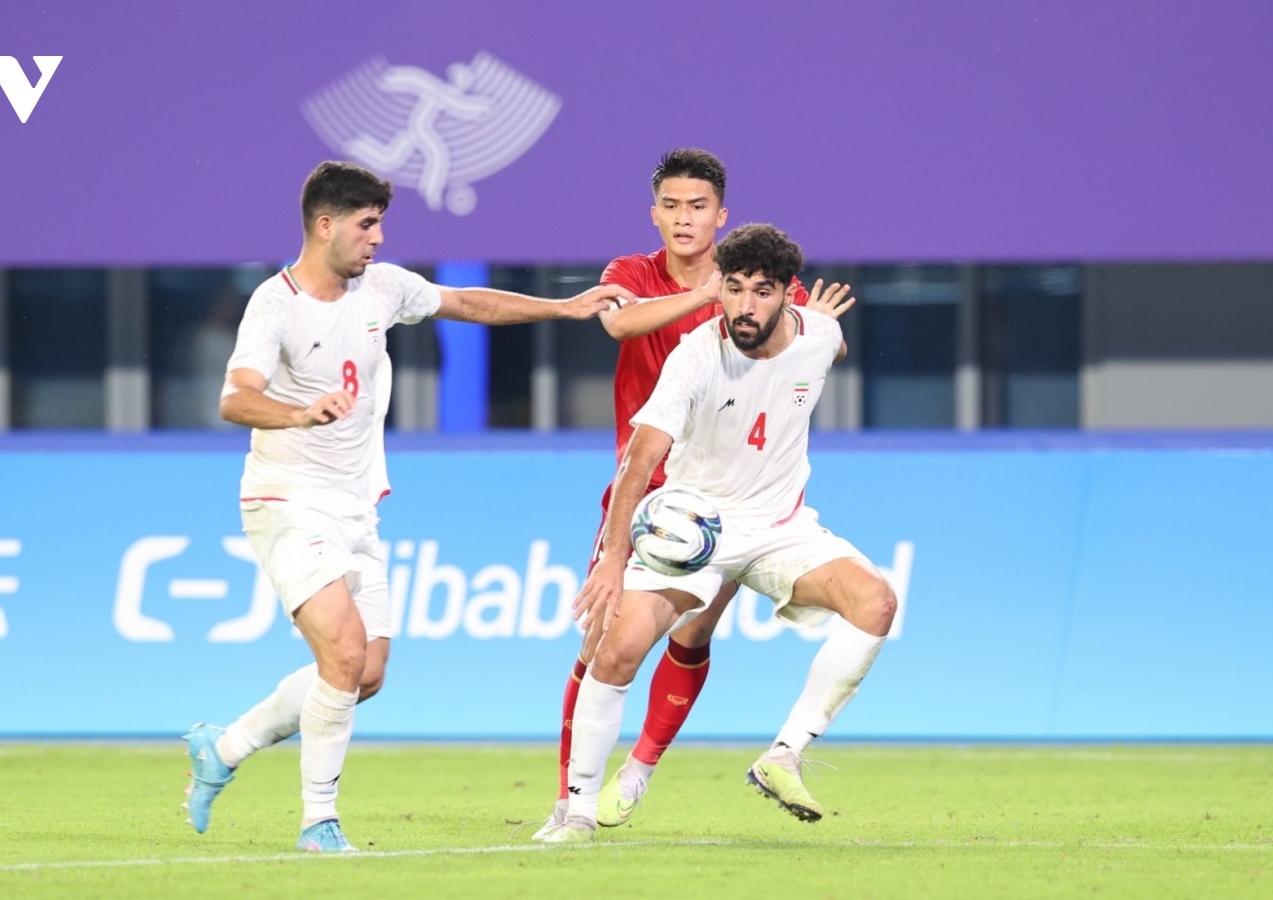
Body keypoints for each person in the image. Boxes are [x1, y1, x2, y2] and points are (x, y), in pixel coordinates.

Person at [180, 160, 622, 853]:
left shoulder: (382, 287)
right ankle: (318, 823)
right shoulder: (275, 304)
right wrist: (299, 413)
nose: (379, 238)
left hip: (356, 509)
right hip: (287, 500)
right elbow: (235, 398)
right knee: (342, 653)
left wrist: (563, 309)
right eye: (367, 225)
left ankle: (226, 746)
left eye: (380, 224)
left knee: (365, 674)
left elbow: (466, 303)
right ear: (325, 225)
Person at [532, 149, 853, 838]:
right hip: (647, 489)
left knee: (696, 630)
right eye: (672, 206)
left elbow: (813, 342)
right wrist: (708, 294)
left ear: (720, 215)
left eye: (698, 206)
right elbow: (619, 323)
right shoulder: (633, 274)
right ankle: (568, 800)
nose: (684, 218)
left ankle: (638, 770)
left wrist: (826, 329)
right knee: (603, 642)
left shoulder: (753, 281)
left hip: (728, 497)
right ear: (654, 213)